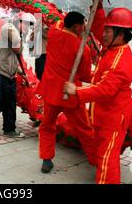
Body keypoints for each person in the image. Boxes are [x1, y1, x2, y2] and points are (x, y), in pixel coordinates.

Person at [64, 8, 132, 184]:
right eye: (105, 30)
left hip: (113, 119)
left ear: (121, 34)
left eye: (108, 31)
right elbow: (97, 28)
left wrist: (76, 91)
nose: (102, 34)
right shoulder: (112, 47)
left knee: (107, 161)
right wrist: (98, 6)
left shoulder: (121, 61)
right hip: (103, 116)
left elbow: (105, 90)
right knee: (103, 155)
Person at [37, 12, 98, 174]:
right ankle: (97, 161)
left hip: (51, 91)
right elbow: (85, 75)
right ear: (77, 26)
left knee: (47, 126)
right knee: (85, 129)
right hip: (71, 94)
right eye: (83, 25)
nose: (85, 28)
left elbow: (58, 22)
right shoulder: (82, 48)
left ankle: (46, 159)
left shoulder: (53, 33)